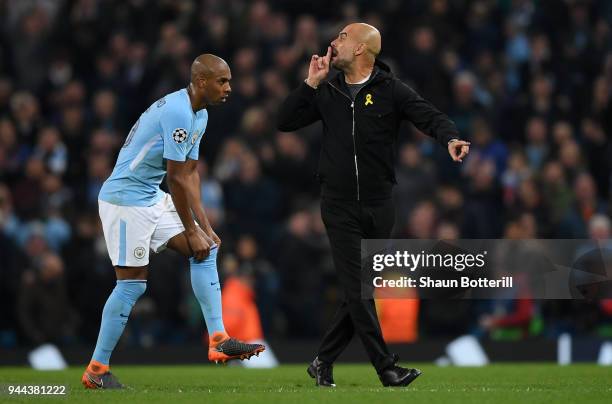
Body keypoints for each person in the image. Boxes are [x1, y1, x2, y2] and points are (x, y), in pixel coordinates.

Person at [278, 23, 470, 387]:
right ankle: (387, 368)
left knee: (360, 289)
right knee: (359, 288)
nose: (333, 43)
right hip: (338, 205)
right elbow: (284, 121)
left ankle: (322, 360)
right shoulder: (327, 90)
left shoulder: (390, 90)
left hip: (380, 205)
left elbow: (428, 115)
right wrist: (310, 83)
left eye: (342, 38)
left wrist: (450, 138)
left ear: (362, 50)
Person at [82, 54, 265, 390]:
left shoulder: (200, 114)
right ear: (200, 81)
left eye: (229, 80)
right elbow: (176, 177)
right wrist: (192, 227)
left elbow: (191, 174)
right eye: (221, 81)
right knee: (132, 284)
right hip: (124, 200)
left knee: (205, 249)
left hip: (149, 194)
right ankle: (97, 368)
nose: (229, 87)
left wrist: (204, 227)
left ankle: (218, 339)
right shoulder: (179, 112)